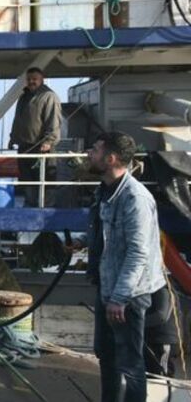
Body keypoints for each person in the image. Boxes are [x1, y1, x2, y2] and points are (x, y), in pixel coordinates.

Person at [76, 132, 165, 402]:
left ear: (111, 158)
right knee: (107, 355)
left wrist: (120, 298)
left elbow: (138, 252)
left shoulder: (134, 198)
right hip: (108, 287)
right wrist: (81, 242)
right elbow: (107, 233)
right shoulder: (105, 190)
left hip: (128, 296)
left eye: (95, 149)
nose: (90, 154)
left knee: (129, 362)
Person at [9, 67, 62, 207]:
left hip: (42, 148)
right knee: (27, 180)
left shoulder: (49, 96)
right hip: (24, 147)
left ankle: (46, 210)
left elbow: (53, 120)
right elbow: (17, 119)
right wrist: (13, 138)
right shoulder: (23, 97)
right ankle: (30, 208)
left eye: (35, 79)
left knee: (46, 181)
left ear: (42, 79)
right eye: (29, 79)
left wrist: (49, 141)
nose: (31, 81)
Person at [144, 285, 178, 377]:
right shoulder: (151, 289)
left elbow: (161, 316)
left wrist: (138, 323)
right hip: (153, 338)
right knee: (152, 373)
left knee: (161, 374)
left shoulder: (162, 290)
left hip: (162, 340)